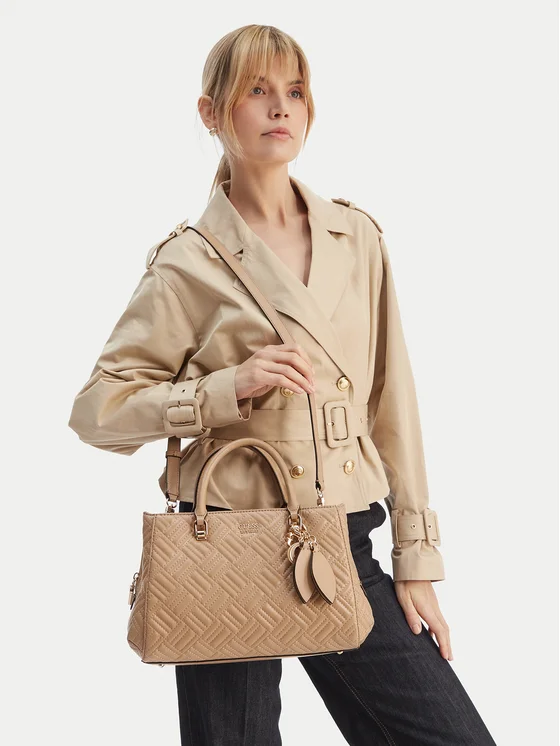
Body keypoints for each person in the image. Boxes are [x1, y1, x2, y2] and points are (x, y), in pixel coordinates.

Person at [68, 23, 497, 746]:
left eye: (295, 92)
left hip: (343, 541)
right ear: (211, 113)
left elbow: (392, 405)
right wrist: (222, 388)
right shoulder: (187, 262)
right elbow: (96, 410)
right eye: (257, 91)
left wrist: (416, 559)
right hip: (225, 542)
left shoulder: (356, 238)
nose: (280, 108)